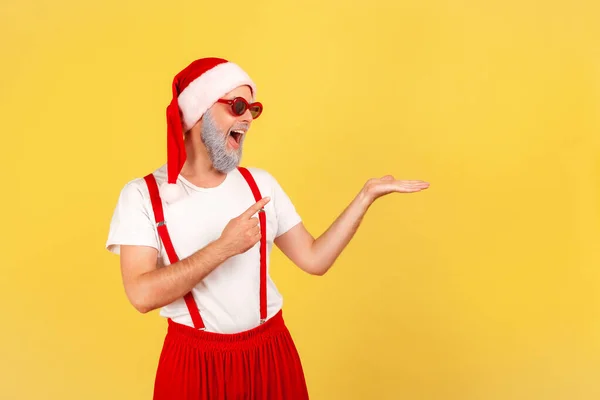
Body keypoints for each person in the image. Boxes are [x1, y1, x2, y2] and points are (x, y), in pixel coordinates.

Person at [105, 57, 430, 400]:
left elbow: (314, 259)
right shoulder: (142, 196)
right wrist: (223, 247)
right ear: (197, 112)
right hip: (192, 363)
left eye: (253, 109)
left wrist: (365, 197)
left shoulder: (261, 185)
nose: (247, 117)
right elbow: (141, 296)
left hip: (270, 355)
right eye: (238, 106)